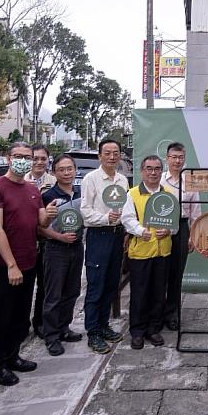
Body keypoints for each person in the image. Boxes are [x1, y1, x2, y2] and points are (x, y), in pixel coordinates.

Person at [0, 142, 58, 386]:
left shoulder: (32, 189)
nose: (23, 160)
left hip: (29, 261)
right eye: (19, 156)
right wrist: (11, 265)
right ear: (8, 158)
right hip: (4, 265)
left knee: (20, 316)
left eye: (28, 157)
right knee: (0, 317)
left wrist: (49, 215)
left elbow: (39, 224)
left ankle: (12, 356)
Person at [80, 139, 129, 354]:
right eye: (107, 153)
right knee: (96, 285)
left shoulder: (123, 180)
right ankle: (93, 333)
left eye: (115, 153)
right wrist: (105, 218)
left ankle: (103, 325)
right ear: (100, 156)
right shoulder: (91, 179)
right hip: (98, 235)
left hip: (117, 236)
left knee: (111, 284)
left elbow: (125, 209)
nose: (112, 157)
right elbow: (85, 211)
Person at [122, 155, 173, 349]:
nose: (153, 172)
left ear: (161, 171)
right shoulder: (132, 193)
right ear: (142, 171)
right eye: (149, 168)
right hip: (141, 252)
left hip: (163, 252)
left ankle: (154, 329)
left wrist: (169, 230)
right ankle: (137, 330)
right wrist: (140, 231)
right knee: (140, 293)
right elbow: (127, 219)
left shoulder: (167, 194)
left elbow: (174, 222)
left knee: (159, 293)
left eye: (157, 169)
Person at [38, 154, 84, 356]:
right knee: (53, 295)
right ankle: (51, 336)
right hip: (56, 249)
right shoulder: (48, 196)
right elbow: (40, 228)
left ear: (75, 170)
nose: (66, 173)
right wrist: (59, 236)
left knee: (72, 291)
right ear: (54, 172)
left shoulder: (79, 192)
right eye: (61, 169)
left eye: (70, 169)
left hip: (77, 247)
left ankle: (64, 327)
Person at [161, 142, 199, 331]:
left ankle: (172, 313)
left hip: (182, 228)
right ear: (167, 158)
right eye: (173, 157)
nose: (177, 160)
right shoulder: (158, 179)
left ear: (184, 159)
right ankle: (157, 313)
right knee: (159, 273)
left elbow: (195, 213)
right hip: (160, 230)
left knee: (176, 274)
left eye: (180, 157)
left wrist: (192, 237)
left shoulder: (190, 181)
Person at [25, 144, 57, 339]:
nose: (38, 162)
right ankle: (20, 326)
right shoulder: (20, 181)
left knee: (46, 286)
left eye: (42, 159)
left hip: (48, 241)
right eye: (34, 158)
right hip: (25, 242)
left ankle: (41, 323)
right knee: (25, 287)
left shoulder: (54, 182)